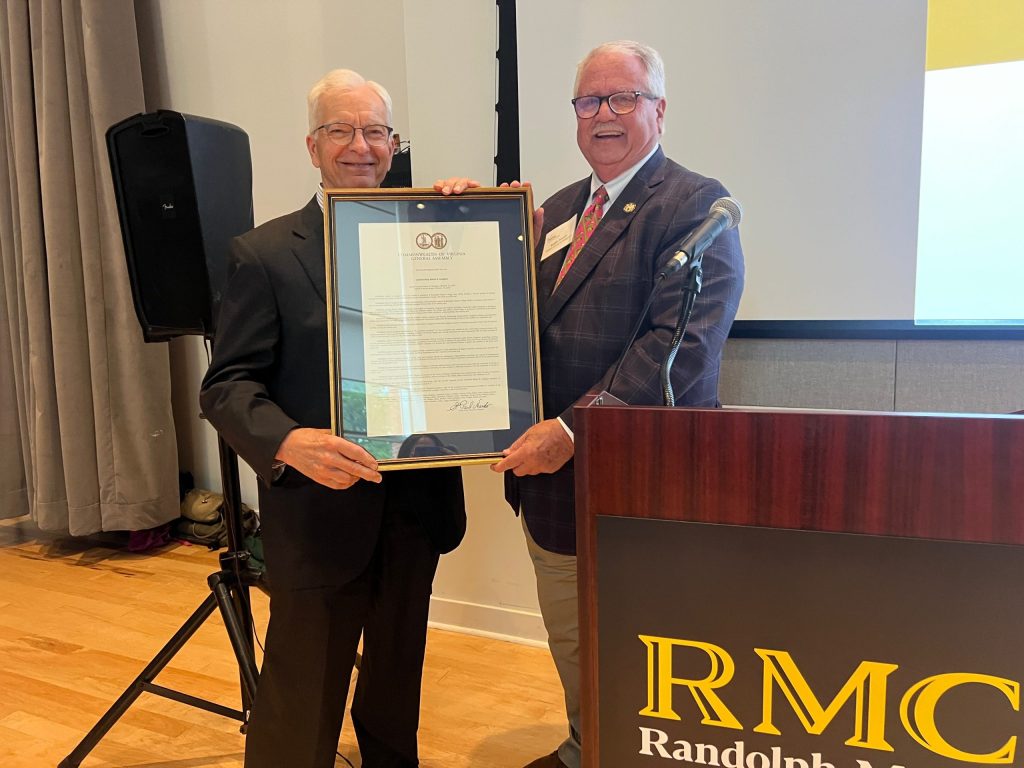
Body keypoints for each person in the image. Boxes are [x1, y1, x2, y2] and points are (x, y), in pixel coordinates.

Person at [200, 69, 472, 768]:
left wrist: (482, 224)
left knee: (394, 691)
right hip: (318, 514)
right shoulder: (262, 255)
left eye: (376, 131)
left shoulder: (432, 239)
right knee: (301, 696)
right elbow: (226, 386)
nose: (361, 146)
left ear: (393, 144)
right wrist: (287, 439)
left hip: (416, 508)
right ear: (312, 147)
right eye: (341, 130)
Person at [493, 41, 745, 768]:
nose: (604, 114)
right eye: (589, 101)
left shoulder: (698, 205)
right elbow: (512, 327)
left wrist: (572, 430)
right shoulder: (555, 212)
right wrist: (467, 226)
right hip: (550, 489)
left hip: (644, 485)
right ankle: (585, 746)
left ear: (659, 110)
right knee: (571, 634)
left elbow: (680, 349)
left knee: (652, 642)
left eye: (623, 97)